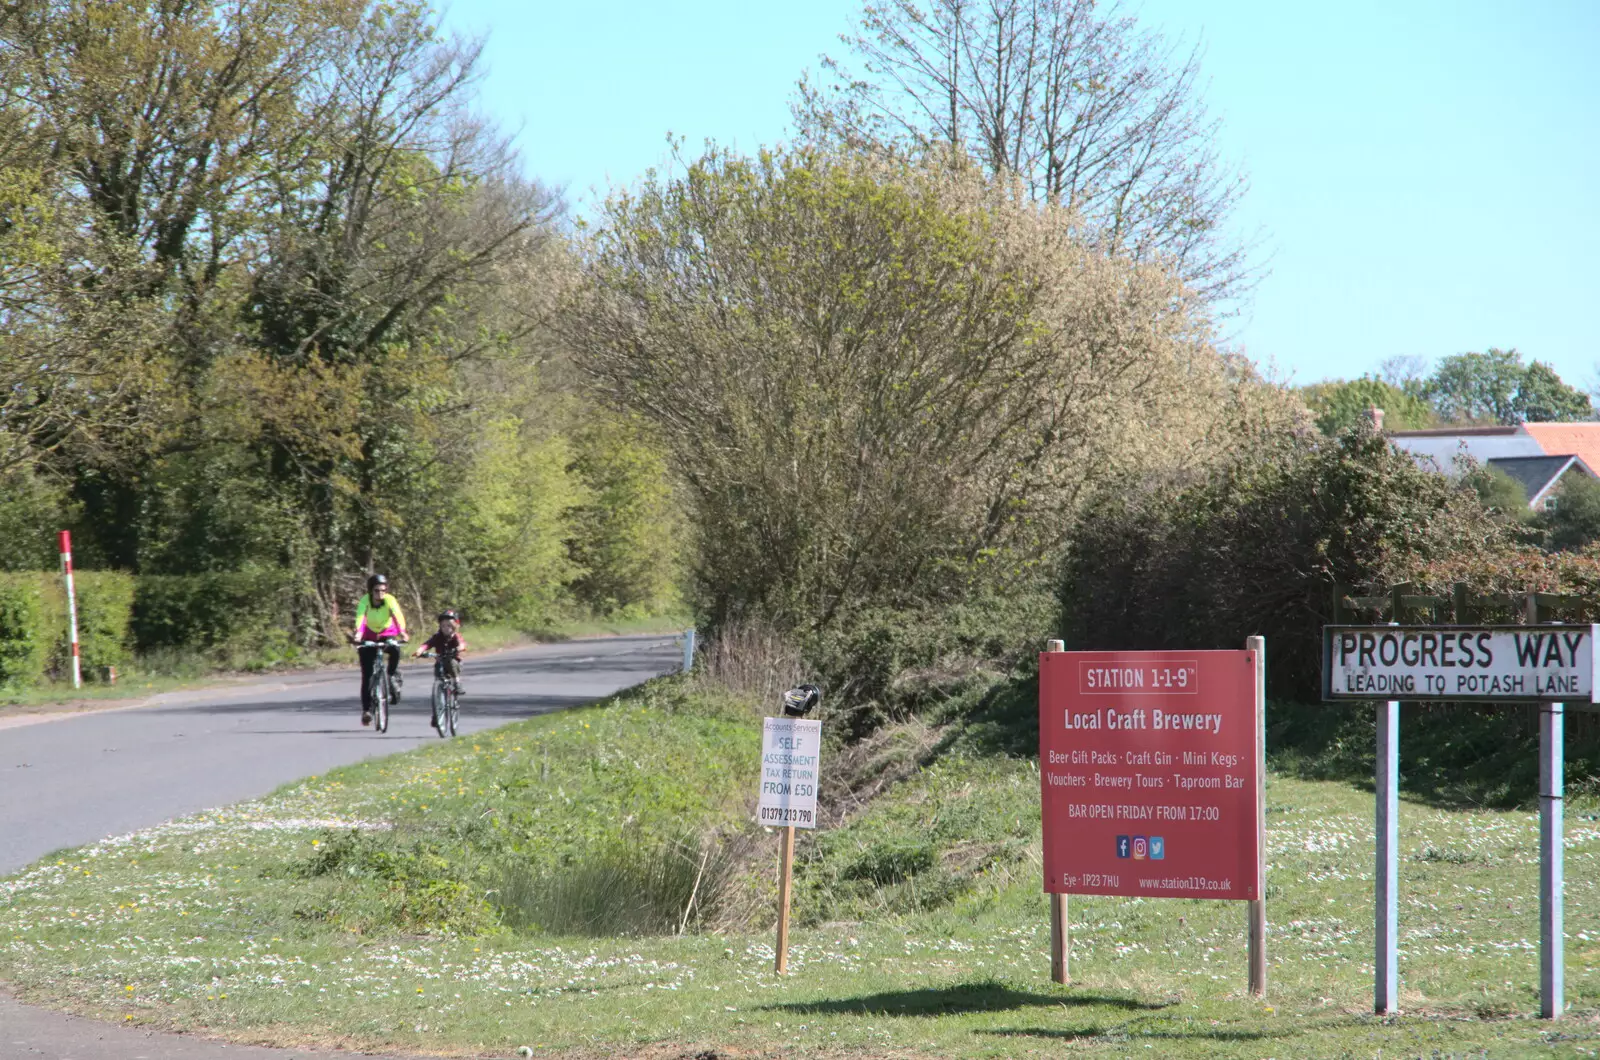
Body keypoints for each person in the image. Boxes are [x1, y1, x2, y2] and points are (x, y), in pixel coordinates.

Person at [351, 573, 408, 726]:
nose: (380, 594)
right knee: (367, 675)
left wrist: (402, 631)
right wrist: (358, 634)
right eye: (377, 591)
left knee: (395, 649)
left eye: (383, 590)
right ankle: (367, 711)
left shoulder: (390, 600)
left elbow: (397, 615)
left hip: (386, 633)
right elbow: (361, 618)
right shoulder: (365, 601)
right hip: (368, 635)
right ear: (371, 591)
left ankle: (391, 675)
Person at [413, 608, 467, 695]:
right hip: (440, 661)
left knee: (451, 663)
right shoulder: (438, 636)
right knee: (438, 672)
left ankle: (457, 683)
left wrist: (458, 648)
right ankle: (439, 696)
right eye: (443, 626)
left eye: (449, 626)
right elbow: (428, 643)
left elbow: (462, 644)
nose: (446, 628)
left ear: (454, 627)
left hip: (453, 661)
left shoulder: (455, 636)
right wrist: (420, 650)